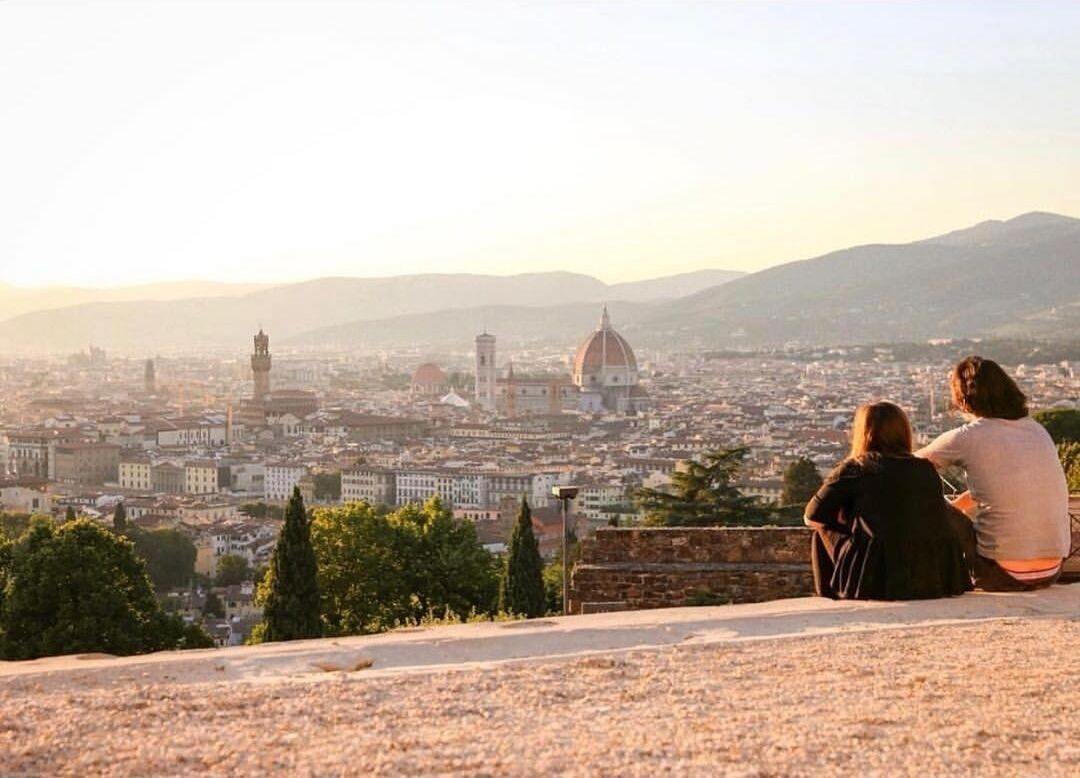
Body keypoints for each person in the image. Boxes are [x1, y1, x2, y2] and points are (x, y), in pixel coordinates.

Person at [916, 356, 1070, 591]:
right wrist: (959, 505)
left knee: (931, 503)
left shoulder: (967, 436)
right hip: (1052, 570)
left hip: (999, 573)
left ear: (963, 397)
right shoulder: (1037, 430)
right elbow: (1006, 487)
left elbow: (903, 467)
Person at [804, 401, 970, 600]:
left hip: (876, 578)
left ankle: (832, 594)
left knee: (820, 531)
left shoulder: (857, 468)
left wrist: (845, 520)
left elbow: (812, 516)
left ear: (863, 433)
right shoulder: (925, 469)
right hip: (932, 577)